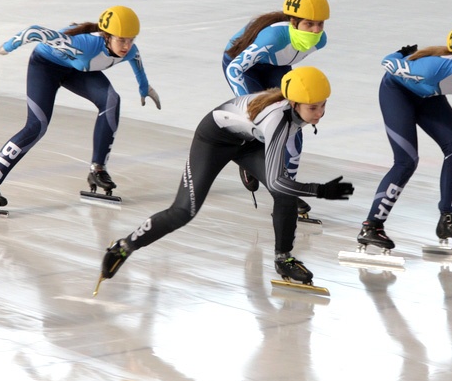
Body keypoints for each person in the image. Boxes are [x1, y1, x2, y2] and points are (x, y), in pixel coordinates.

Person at [96, 66, 353, 293]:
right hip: (213, 140)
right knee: (184, 210)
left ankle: (283, 258)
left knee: (284, 194)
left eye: (323, 105)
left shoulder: (293, 111)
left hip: (248, 141)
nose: (320, 113)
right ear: (294, 103)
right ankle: (123, 247)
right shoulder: (278, 119)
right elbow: (276, 181)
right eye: (313, 107)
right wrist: (319, 190)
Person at [0, 6, 160, 209]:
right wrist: (5, 48)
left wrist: (144, 87)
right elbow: (33, 32)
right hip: (46, 67)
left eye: (131, 40)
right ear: (106, 36)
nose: (126, 46)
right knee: (37, 126)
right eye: (121, 40)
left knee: (111, 101)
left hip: (76, 69)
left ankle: (98, 170)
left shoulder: (129, 51)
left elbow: (136, 60)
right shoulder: (83, 44)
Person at [356, 21, 452, 252]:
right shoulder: (431, 68)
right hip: (398, 94)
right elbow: (387, 63)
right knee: (406, 161)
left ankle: (448, 220)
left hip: (429, 97)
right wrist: (400, 53)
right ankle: (371, 226)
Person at [222, 0, 330, 218]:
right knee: (261, 120)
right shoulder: (273, 38)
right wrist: (247, 107)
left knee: (293, 126)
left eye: (320, 24)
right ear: (293, 21)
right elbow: (235, 69)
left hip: (275, 66)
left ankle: (286, 192)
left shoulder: (321, 41)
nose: (316, 31)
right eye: (309, 24)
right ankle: (248, 152)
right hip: (243, 66)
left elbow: (283, 61)